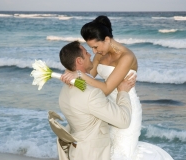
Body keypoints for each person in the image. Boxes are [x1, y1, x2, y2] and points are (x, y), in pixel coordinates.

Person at [61, 16, 174, 160]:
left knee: (123, 153)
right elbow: (90, 76)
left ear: (107, 40)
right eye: (91, 48)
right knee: (111, 152)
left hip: (127, 108)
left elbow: (106, 88)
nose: (94, 51)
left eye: (95, 47)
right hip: (108, 109)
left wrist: (79, 76)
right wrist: (71, 75)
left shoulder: (126, 57)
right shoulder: (100, 54)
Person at [58, 41, 136, 160]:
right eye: (86, 52)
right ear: (79, 61)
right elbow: (123, 120)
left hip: (77, 151)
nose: (90, 55)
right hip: (92, 155)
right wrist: (123, 91)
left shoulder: (64, 90)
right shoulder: (91, 94)